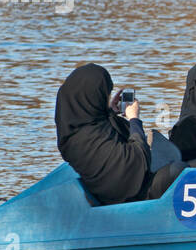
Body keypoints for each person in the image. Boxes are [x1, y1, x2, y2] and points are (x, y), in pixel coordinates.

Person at [55, 64, 184, 205]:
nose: (106, 98)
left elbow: (102, 131)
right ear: (93, 98)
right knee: (182, 169)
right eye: (104, 96)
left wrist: (110, 111)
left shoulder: (74, 130)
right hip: (129, 195)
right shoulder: (87, 138)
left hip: (127, 185)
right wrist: (134, 119)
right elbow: (138, 157)